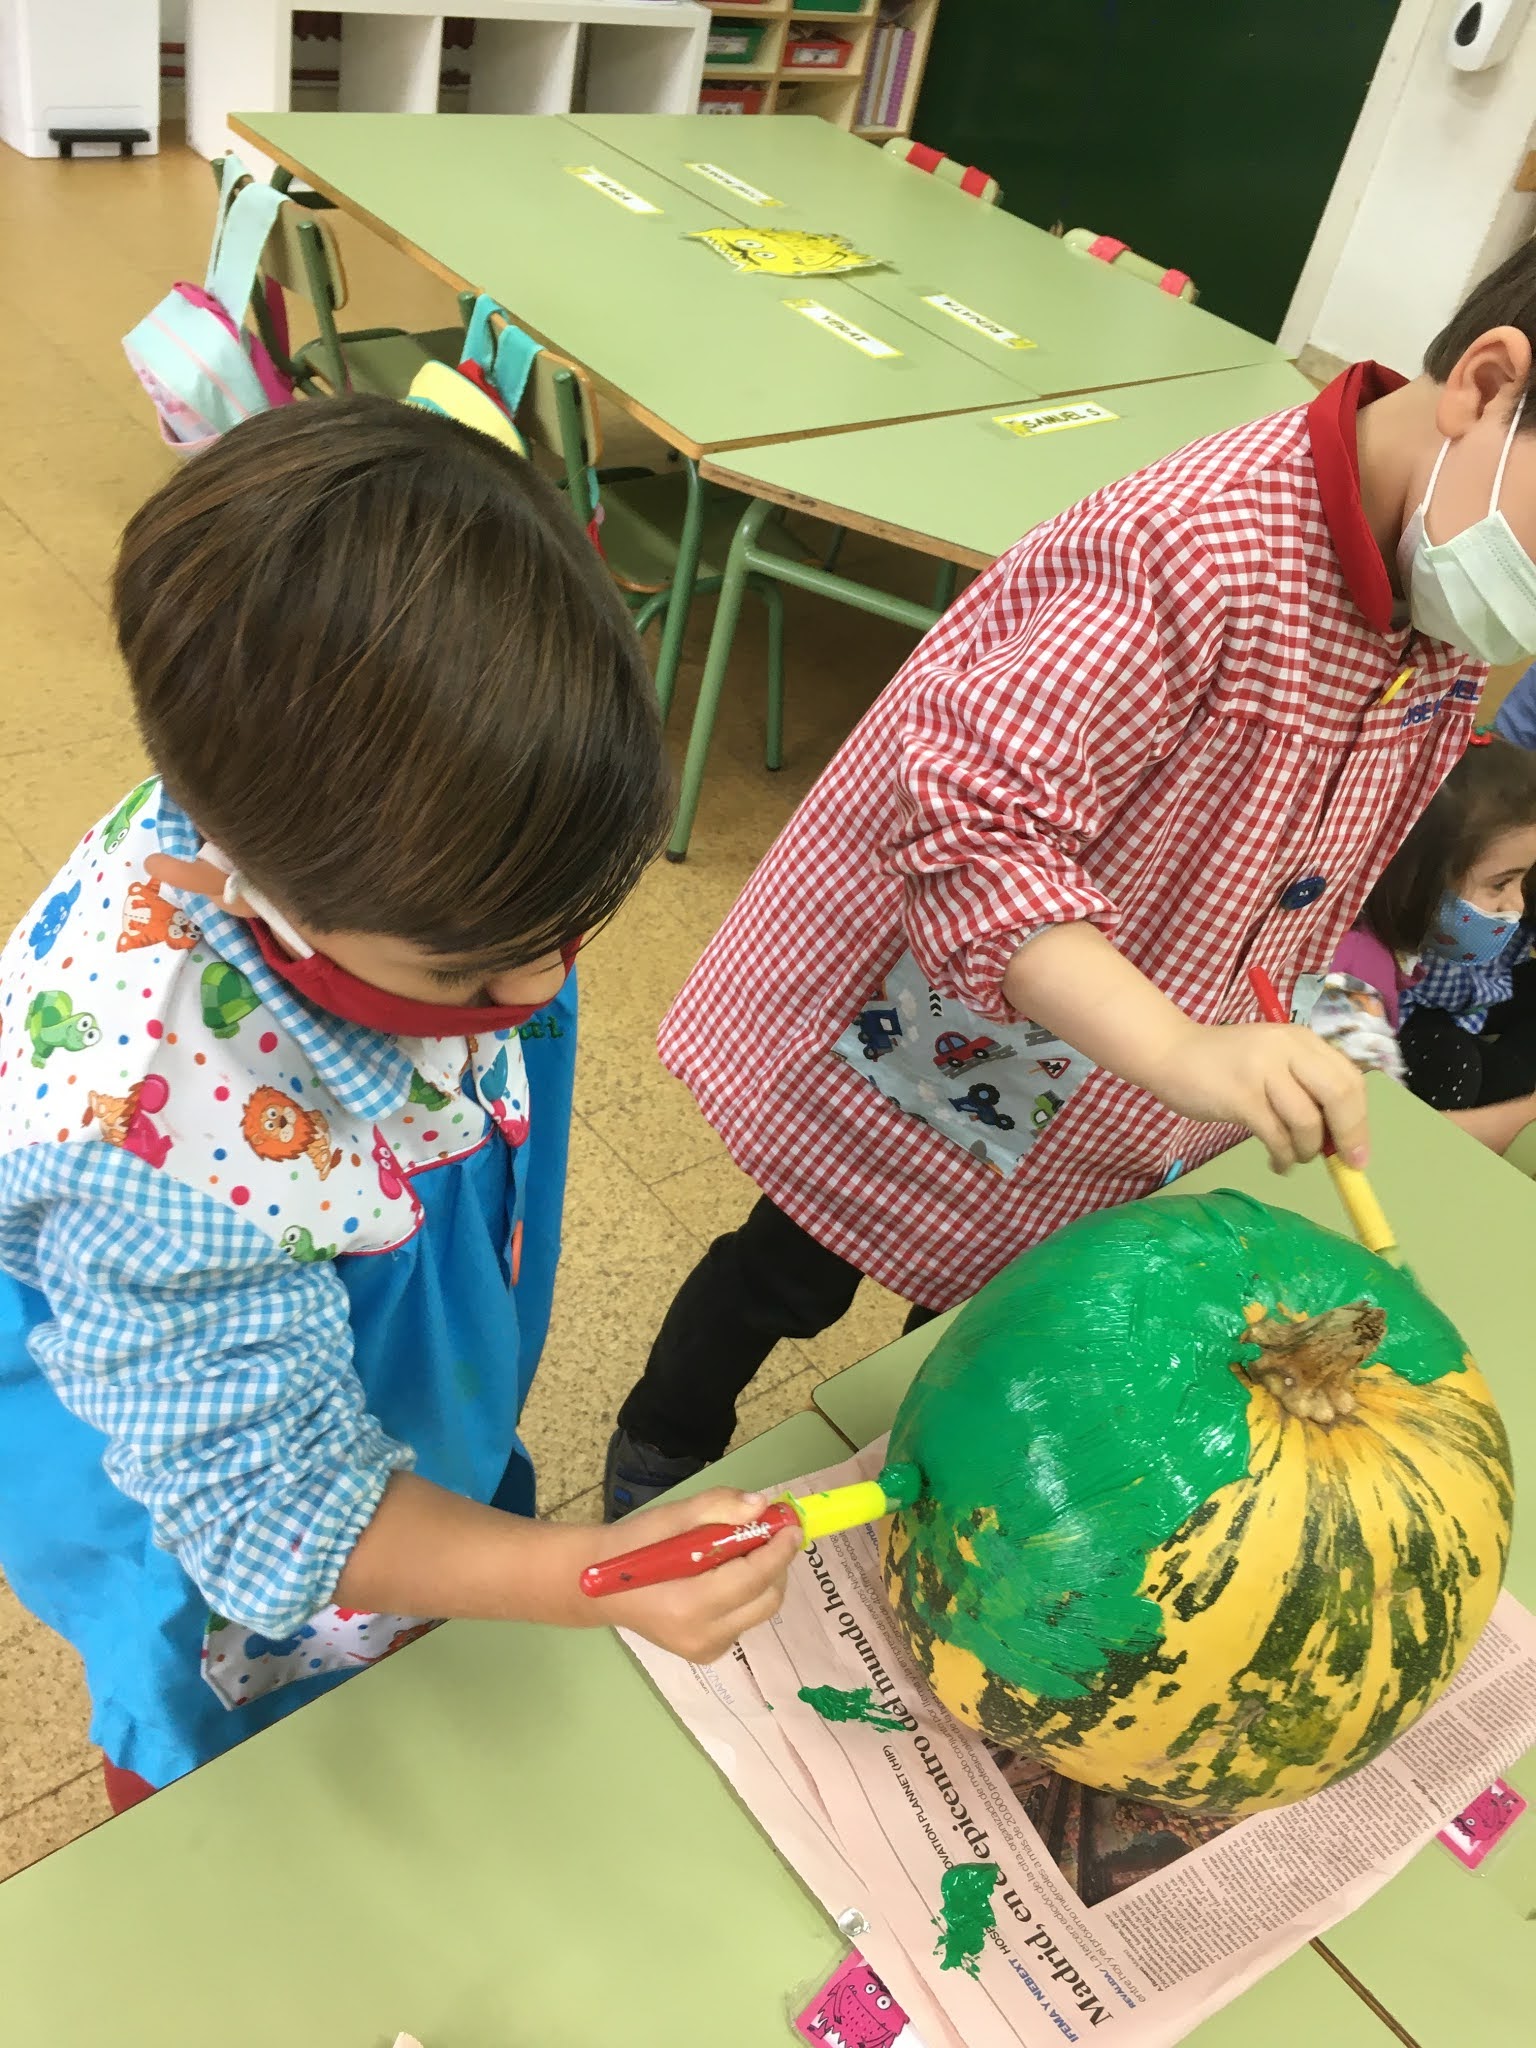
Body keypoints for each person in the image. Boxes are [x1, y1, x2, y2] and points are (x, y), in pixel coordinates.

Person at [606, 242, 1536, 1518]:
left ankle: (929, 1486)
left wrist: (1332, 1043)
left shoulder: (1436, 612)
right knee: (787, 1267)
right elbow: (971, 820)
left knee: (984, 1328)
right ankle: (662, 1446)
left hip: (1117, 1107)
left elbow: (1333, 874)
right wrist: (1180, 1046)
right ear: (1484, 386)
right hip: (950, 1034)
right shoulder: (1193, 548)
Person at [0, 396, 799, 1808]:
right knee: (258, 1791)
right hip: (226, 1550)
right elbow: (276, 1503)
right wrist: (586, 1575)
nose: (543, 984)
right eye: (472, 970)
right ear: (262, 878)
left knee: (436, 1601)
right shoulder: (139, 1145)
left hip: (380, 1363)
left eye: (573, 928)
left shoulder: (355, 825)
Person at [1337, 733, 1536, 1150]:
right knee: (1457, 1066)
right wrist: (1523, 1114)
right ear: (1416, 876)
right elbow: (1383, 1133)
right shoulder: (1350, 975)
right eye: (1500, 884)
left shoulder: (1387, 944)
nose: (1516, 905)